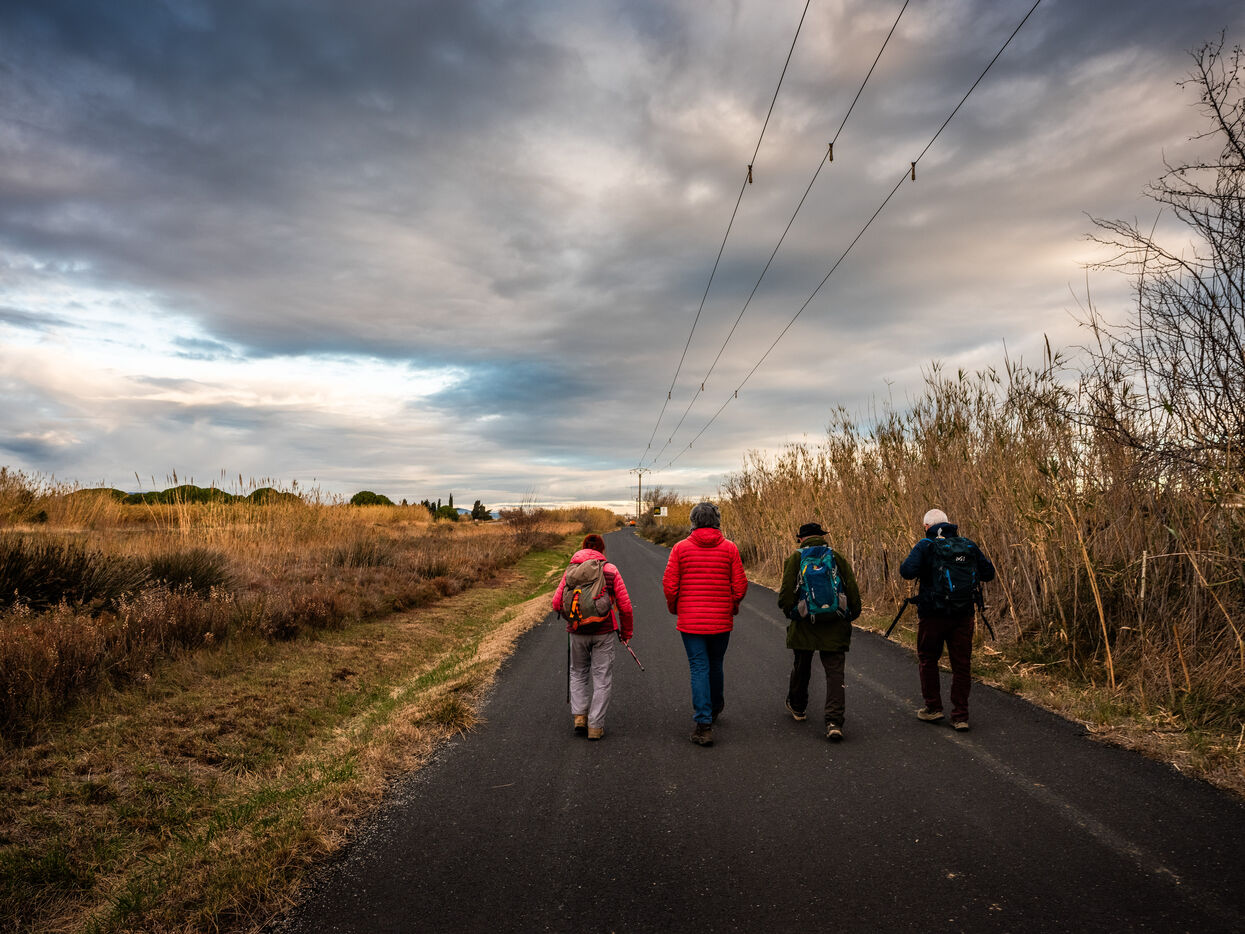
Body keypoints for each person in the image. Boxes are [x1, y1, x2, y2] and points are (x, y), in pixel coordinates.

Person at [898, 508, 995, 731]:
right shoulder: (968, 545)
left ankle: (933, 708)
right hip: (963, 615)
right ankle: (960, 716)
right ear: (949, 523)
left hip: (932, 615)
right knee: (961, 664)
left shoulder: (926, 545)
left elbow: (906, 571)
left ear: (927, 527)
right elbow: (988, 573)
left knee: (928, 659)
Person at [661, 502, 748, 747]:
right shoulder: (729, 548)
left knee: (699, 666)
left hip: (691, 621)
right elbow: (740, 585)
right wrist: (731, 605)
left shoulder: (680, 548)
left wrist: (676, 607)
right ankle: (715, 706)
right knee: (716, 663)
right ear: (717, 521)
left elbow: (670, 585)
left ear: (693, 521)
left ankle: (703, 724)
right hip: (721, 620)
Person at [776, 522, 862, 742]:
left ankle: (798, 707)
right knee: (835, 673)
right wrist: (849, 615)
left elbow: (785, 595)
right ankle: (834, 722)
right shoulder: (837, 557)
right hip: (835, 623)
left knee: (801, 665)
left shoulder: (795, 559)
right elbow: (852, 589)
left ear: (800, 539)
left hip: (805, 623)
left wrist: (793, 613)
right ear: (822, 537)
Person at [551, 533, 634, 740]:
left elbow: (556, 603)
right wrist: (626, 633)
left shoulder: (571, 570)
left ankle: (580, 717)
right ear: (602, 549)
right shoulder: (610, 570)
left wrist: (572, 618)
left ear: (583, 548)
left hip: (577, 632)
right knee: (602, 677)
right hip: (603, 632)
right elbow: (625, 607)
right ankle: (595, 726)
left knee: (578, 672)